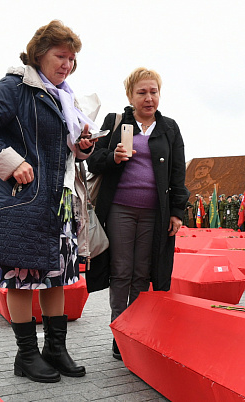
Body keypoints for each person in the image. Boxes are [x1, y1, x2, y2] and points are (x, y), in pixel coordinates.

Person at [0, 20, 96, 382]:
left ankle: (56, 348)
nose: (67, 64)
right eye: (60, 55)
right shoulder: (16, 87)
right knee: (21, 278)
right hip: (24, 201)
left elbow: (57, 150)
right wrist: (10, 162)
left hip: (58, 203)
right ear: (39, 54)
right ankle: (26, 355)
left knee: (56, 277)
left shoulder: (62, 96)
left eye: (71, 58)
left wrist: (80, 148)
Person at [86, 67, 189, 360]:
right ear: (130, 96)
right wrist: (113, 157)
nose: (148, 98)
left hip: (154, 214)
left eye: (153, 92)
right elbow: (93, 160)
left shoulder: (169, 128)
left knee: (143, 274)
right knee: (121, 272)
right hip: (120, 210)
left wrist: (177, 212)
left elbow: (177, 173)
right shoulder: (115, 122)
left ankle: (138, 330)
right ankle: (120, 333)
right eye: (141, 92)